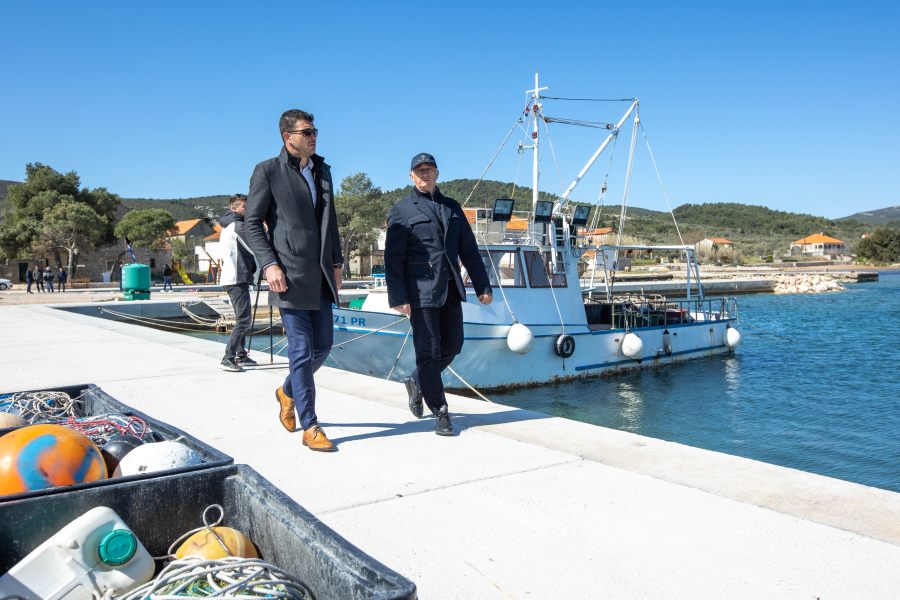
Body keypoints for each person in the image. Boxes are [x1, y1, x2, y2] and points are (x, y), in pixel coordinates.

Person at [244, 109, 343, 452]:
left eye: (315, 131)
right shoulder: (268, 171)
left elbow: (331, 222)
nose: (314, 137)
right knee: (300, 350)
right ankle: (310, 425)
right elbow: (252, 223)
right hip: (287, 275)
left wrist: (337, 262)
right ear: (288, 137)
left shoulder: (322, 171)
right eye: (307, 132)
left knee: (323, 347)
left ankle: (286, 391)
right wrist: (269, 264)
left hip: (321, 274)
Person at [384, 153, 493, 436]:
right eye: (419, 170)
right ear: (411, 176)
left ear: (437, 173)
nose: (425, 174)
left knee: (453, 345)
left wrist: (483, 286)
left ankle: (417, 380)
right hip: (420, 291)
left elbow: (469, 250)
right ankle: (440, 410)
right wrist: (398, 297)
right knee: (429, 352)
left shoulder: (452, 207)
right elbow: (393, 258)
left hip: (450, 289)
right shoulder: (401, 210)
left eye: (429, 169)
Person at [219, 194, 258, 372]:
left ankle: (241, 355)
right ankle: (228, 358)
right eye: (244, 206)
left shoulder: (229, 225)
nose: (247, 209)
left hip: (234, 278)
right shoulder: (237, 226)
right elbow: (255, 245)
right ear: (233, 208)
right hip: (236, 278)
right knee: (244, 319)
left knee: (242, 319)